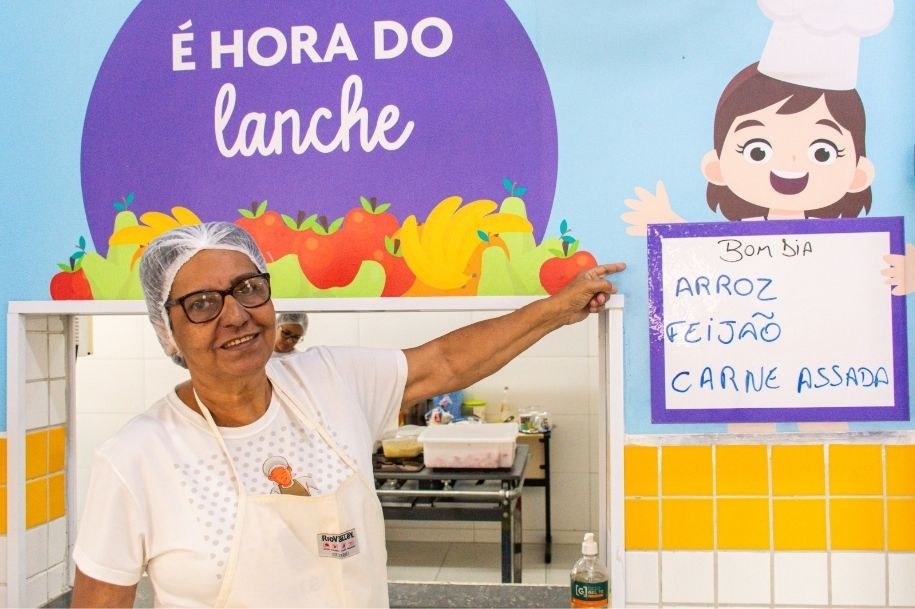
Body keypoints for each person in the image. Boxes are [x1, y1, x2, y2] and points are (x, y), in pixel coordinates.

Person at [70, 221, 625, 608]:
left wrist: (557, 309)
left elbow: (445, 362)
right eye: (202, 303)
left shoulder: (330, 381)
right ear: (167, 332)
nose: (236, 315)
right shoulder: (135, 458)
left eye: (249, 288)